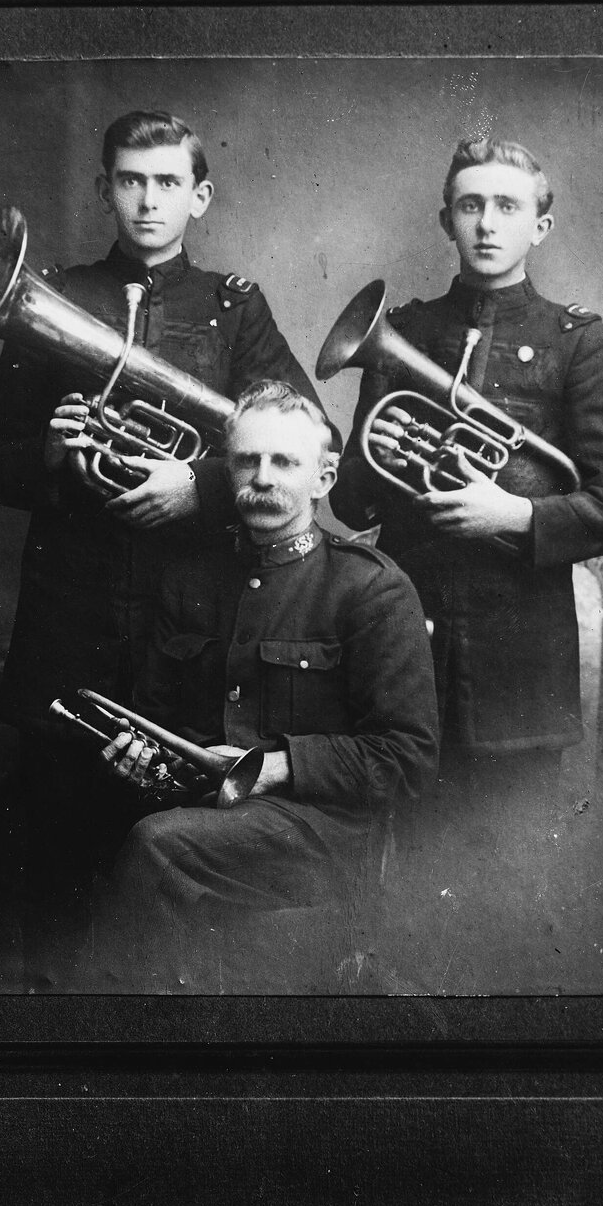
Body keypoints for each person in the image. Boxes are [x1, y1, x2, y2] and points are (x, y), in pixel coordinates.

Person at [0, 110, 325, 988]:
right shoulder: (54, 291)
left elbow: (308, 438)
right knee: (55, 857)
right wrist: (52, 458)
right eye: (130, 180)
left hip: (187, 618)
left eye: (167, 182)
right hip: (70, 616)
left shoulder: (235, 307)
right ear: (104, 189)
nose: (147, 200)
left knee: (164, 863)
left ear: (199, 196)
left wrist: (194, 487)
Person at [328, 138, 603, 988]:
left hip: (519, 657)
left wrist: (517, 514)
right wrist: (382, 451)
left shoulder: (576, 339)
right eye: (471, 205)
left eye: (508, 206)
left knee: (510, 889)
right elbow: (355, 503)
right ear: (446, 219)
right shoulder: (405, 333)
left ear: (539, 224)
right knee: (400, 876)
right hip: (405, 641)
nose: (487, 223)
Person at [71, 381, 440, 994]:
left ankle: (119, 1047)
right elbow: (160, 719)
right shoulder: (191, 577)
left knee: (160, 847)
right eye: (247, 460)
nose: (262, 478)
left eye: (285, 462)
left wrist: (271, 768)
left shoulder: (371, 588)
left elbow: (409, 758)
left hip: (321, 831)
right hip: (210, 812)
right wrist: (140, 762)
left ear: (323, 479)